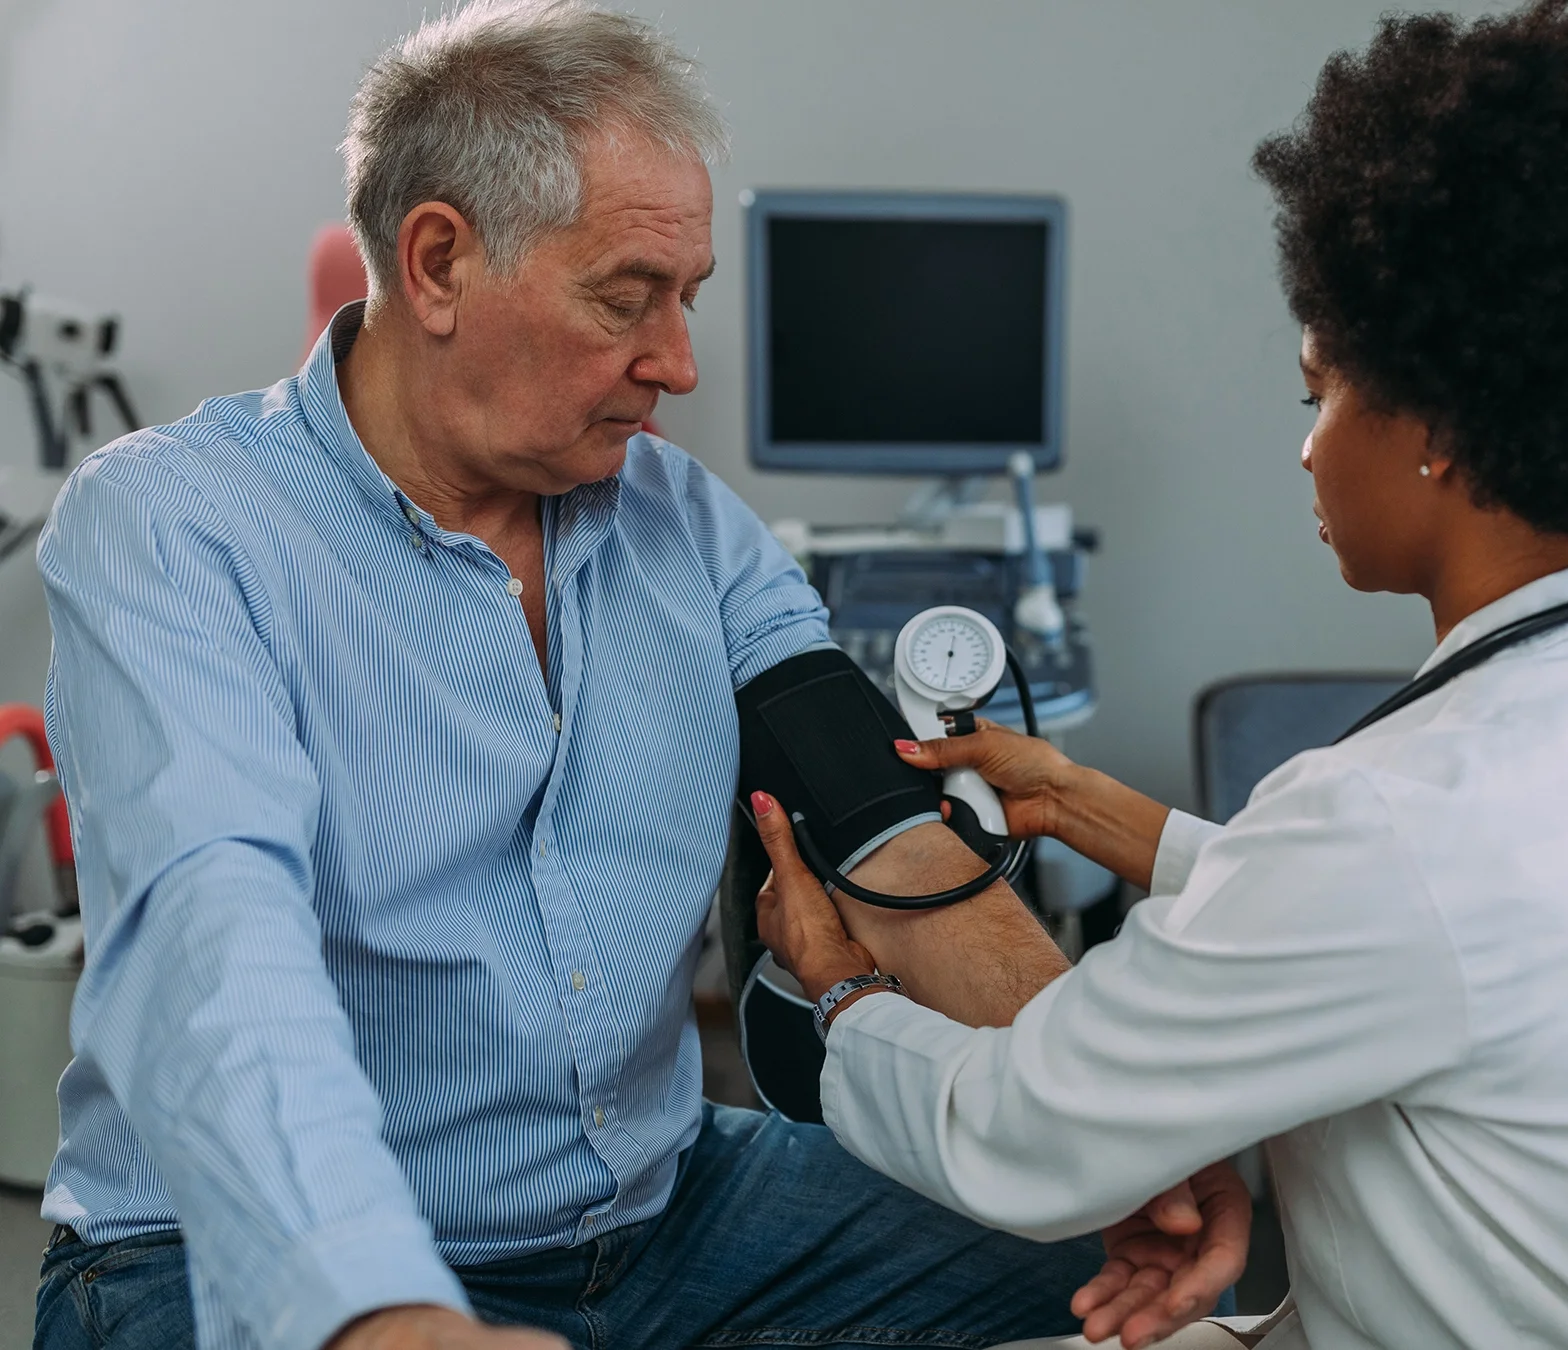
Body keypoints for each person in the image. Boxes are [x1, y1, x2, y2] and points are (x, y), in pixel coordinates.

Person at [31, 4, 1235, 1348]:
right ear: (436, 262)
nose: (678, 362)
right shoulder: (175, 525)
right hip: (221, 1252)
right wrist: (377, 1312)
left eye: (689, 296)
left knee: (1121, 1264)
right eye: (628, 296)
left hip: (664, 1215)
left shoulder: (690, 531)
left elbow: (893, 847)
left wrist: (1131, 1125)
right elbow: (214, 948)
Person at [746, 5, 1568, 1349]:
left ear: (1433, 421)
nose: (1307, 449)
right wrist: (1090, 805)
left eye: (1318, 389)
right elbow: (1432, 936)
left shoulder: (1398, 816)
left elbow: (1022, 1135)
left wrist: (836, 993)